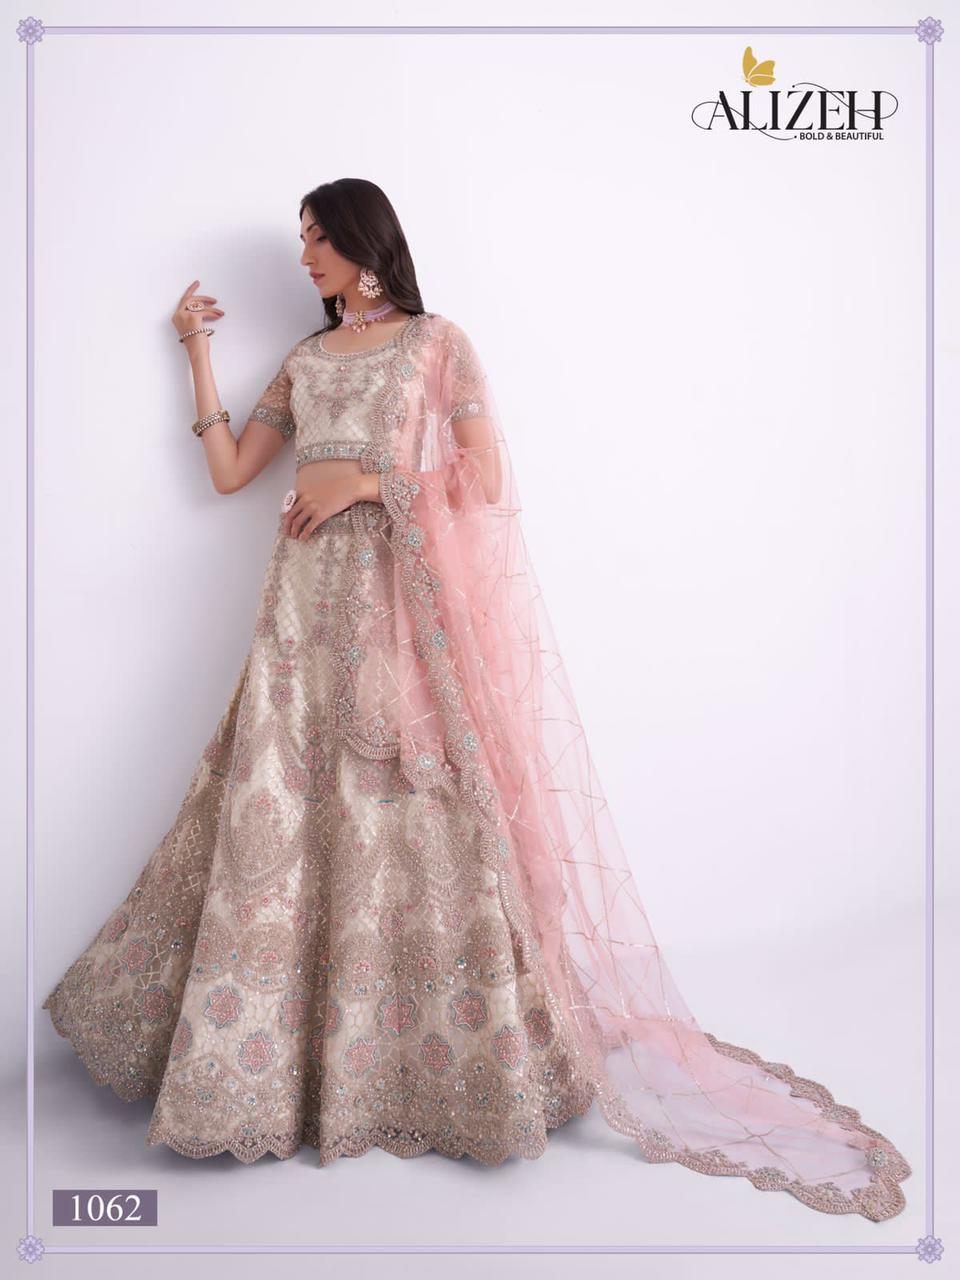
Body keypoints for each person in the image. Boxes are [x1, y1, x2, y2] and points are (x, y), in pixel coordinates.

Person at [42, 178, 911, 1220]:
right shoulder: (306, 360)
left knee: (420, 811)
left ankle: (439, 1063)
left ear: (367, 245)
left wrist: (367, 483)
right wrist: (192, 350)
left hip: (398, 614)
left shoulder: (437, 344)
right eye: (301, 239)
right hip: (297, 622)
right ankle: (279, 1068)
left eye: (319, 237)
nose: (305, 255)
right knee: (283, 813)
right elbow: (231, 472)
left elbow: (486, 478)